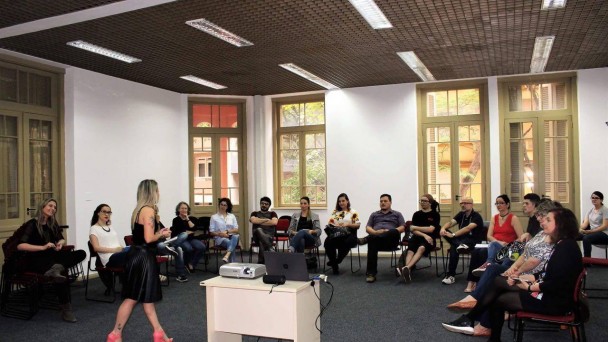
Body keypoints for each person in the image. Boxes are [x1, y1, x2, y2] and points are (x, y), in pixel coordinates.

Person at [442, 207, 583, 341]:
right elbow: (546, 272)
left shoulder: (566, 248)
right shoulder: (563, 244)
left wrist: (527, 286)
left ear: (561, 224)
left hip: (553, 301)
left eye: (548, 220)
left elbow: (555, 284)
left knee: (498, 288)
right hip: (548, 294)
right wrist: (521, 278)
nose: (543, 222)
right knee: (498, 291)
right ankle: (482, 328)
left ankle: (471, 318)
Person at [106, 179, 172, 342]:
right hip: (143, 258)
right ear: (152, 192)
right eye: (157, 190)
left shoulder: (139, 210)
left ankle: (159, 333)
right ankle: (115, 333)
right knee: (133, 298)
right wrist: (162, 234)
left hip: (138, 255)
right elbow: (149, 238)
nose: (159, 193)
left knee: (146, 298)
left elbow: (144, 235)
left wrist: (159, 230)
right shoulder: (148, 210)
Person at [16, 198, 86, 322]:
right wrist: (42, 247)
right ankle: (66, 310)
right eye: (50, 206)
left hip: (51, 257)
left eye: (55, 207)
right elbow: (20, 246)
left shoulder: (52, 223)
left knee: (81, 253)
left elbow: (61, 239)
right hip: (35, 259)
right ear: (42, 207)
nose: (53, 209)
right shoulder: (32, 224)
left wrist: (59, 243)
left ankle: (56, 268)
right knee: (60, 276)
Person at [466, 194, 523, 291]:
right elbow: (489, 236)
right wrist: (499, 242)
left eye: (501, 203)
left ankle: (488, 266)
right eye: (497, 203)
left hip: (510, 248)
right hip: (495, 246)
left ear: (507, 204)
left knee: (491, 246)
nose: (499, 205)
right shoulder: (494, 218)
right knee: (478, 252)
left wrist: (507, 244)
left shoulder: (513, 218)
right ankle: (472, 282)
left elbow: (521, 237)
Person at [357, 194, 406, 283]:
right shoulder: (374, 214)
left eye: (385, 201)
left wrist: (389, 231)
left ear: (390, 202)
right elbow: (368, 228)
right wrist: (376, 233)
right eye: (381, 201)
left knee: (391, 232)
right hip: (376, 241)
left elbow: (403, 227)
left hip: (391, 241)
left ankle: (366, 239)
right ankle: (371, 274)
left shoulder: (397, 214)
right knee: (372, 242)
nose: (383, 203)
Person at [396, 193, 440, 283]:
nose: (422, 202)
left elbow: (431, 229)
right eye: (421, 201)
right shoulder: (416, 214)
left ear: (430, 203)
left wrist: (416, 227)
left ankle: (407, 268)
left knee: (421, 248)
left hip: (430, 239)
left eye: (425, 201)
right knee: (410, 251)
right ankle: (407, 270)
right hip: (418, 237)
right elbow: (413, 230)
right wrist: (424, 234)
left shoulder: (435, 214)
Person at [439, 197, 484, 285]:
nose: (463, 205)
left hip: (473, 242)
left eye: (466, 203)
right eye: (462, 203)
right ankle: (460, 245)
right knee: (445, 233)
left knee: (453, 248)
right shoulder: (461, 214)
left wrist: (453, 235)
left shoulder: (476, 216)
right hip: (460, 240)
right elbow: (451, 223)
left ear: (471, 205)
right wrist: (443, 228)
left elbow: (468, 228)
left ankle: (451, 275)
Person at [89, 203, 130, 292]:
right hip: (109, 258)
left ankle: (132, 286)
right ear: (98, 213)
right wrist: (114, 250)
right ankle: (130, 287)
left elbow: (115, 243)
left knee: (137, 250)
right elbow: (96, 248)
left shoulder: (110, 227)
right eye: (104, 212)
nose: (107, 214)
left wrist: (122, 248)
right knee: (134, 254)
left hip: (118, 254)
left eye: (109, 212)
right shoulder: (94, 228)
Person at [324, 193, 361, 275]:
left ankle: (338, 260)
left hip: (350, 234)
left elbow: (358, 225)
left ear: (347, 201)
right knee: (327, 242)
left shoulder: (352, 212)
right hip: (337, 234)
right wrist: (332, 226)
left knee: (347, 242)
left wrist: (348, 224)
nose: (341, 203)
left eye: (343, 201)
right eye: (339, 201)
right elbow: (330, 223)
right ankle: (335, 266)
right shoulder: (335, 212)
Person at [171, 201, 206, 275]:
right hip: (182, 240)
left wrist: (188, 219)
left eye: (185, 208)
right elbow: (179, 232)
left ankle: (191, 263)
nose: (184, 210)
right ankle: (184, 263)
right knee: (188, 248)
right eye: (182, 208)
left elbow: (194, 228)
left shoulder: (190, 219)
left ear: (188, 210)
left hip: (191, 239)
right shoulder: (176, 220)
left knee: (202, 247)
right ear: (178, 210)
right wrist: (186, 231)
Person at [209, 197, 240, 263]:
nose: (222, 206)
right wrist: (220, 234)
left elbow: (236, 229)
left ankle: (227, 255)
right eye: (221, 204)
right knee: (231, 243)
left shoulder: (232, 216)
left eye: (225, 205)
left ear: (227, 207)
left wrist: (227, 231)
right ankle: (232, 264)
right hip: (220, 238)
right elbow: (211, 232)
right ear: (219, 205)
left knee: (235, 236)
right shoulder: (214, 217)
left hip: (231, 236)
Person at [250, 196, 278, 264]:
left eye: (266, 204)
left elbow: (274, 222)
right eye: (262, 203)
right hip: (256, 236)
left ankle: (261, 262)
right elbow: (253, 220)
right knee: (259, 229)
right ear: (260, 204)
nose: (264, 205)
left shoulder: (272, 213)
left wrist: (259, 221)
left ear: (269, 205)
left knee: (262, 242)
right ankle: (270, 248)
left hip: (269, 236)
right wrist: (266, 220)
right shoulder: (254, 213)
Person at [580, 191, 608, 257]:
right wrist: (578, 229)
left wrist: (590, 231)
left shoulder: (605, 210)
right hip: (592, 233)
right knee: (573, 236)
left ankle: (587, 261)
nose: (594, 199)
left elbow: (604, 226)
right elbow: (585, 224)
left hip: (603, 233)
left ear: (601, 200)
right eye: (592, 198)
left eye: (596, 198)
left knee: (586, 238)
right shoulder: (590, 211)